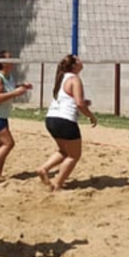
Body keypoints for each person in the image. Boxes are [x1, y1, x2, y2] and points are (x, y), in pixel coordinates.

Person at [37, 54, 97, 192]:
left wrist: (83, 102)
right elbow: (79, 104)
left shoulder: (61, 78)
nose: (81, 60)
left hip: (51, 119)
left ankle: (43, 168)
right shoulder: (74, 79)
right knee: (74, 155)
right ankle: (57, 184)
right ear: (75, 65)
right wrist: (91, 116)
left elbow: (71, 99)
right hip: (65, 120)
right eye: (78, 59)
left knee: (64, 151)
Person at [0, 50, 33, 180]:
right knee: (9, 143)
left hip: (2, 114)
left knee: (1, 145)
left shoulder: (9, 76)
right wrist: (16, 93)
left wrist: (21, 86)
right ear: (2, 63)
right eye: (9, 58)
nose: (12, 60)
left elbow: (8, 89)